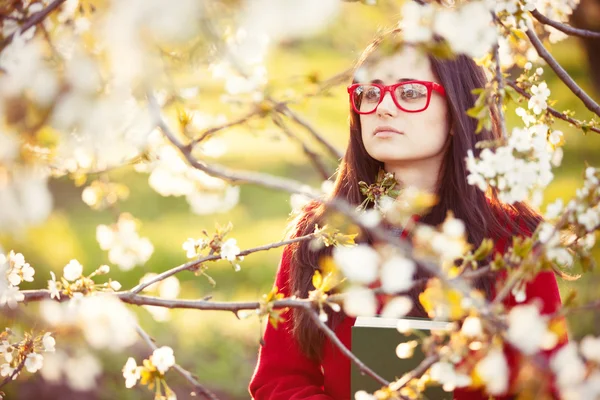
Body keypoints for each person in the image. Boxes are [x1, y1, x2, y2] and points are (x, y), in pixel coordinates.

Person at [249, 29, 568, 400]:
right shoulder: (321, 232)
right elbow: (278, 379)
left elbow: (547, 383)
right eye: (370, 92)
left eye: (410, 92)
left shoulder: (511, 240)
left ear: (457, 112)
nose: (383, 107)